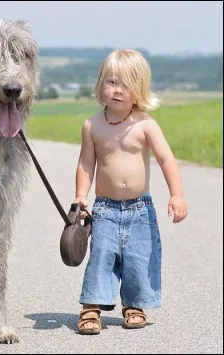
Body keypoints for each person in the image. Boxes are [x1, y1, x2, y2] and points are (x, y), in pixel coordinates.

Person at [74, 49, 188, 335]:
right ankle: (91, 307)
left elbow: (166, 159)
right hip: (105, 208)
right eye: (111, 82)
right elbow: (86, 165)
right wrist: (80, 196)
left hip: (140, 209)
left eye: (126, 84)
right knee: (101, 256)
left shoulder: (146, 125)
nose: (117, 90)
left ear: (139, 91)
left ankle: (134, 305)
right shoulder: (93, 125)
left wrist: (177, 194)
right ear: (101, 84)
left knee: (139, 257)